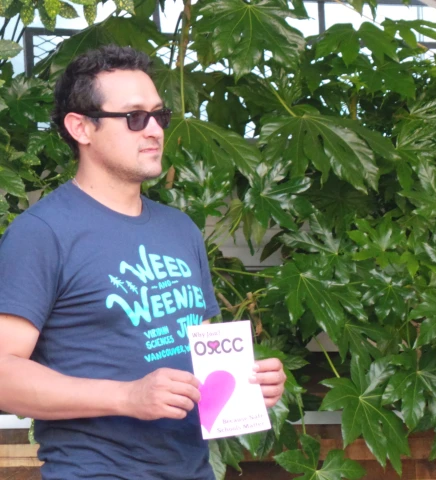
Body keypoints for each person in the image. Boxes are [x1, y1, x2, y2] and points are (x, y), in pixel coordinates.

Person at [0, 45, 286, 479]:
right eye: (134, 117)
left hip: (192, 469)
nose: (153, 129)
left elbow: (202, 350)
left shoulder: (180, 229)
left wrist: (253, 382)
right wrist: (127, 397)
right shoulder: (42, 232)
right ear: (81, 128)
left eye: (159, 115)